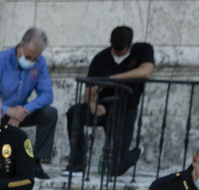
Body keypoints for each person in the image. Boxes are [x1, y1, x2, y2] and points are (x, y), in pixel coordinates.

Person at [65, 26, 154, 177]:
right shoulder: (101, 58)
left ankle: (137, 151)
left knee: (116, 168)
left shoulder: (143, 50)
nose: (119, 54)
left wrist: (110, 80)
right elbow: (88, 92)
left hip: (126, 111)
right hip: (104, 109)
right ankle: (77, 162)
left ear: (131, 45)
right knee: (75, 113)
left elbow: (146, 71)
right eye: (116, 50)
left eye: (123, 51)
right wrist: (93, 105)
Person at [0, 27, 56, 179]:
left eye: (35, 58)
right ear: (20, 46)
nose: (32, 62)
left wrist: (24, 110)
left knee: (50, 113)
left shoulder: (39, 63)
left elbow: (47, 95)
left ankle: (36, 163)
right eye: (28, 57)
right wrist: (8, 110)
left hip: (21, 112)